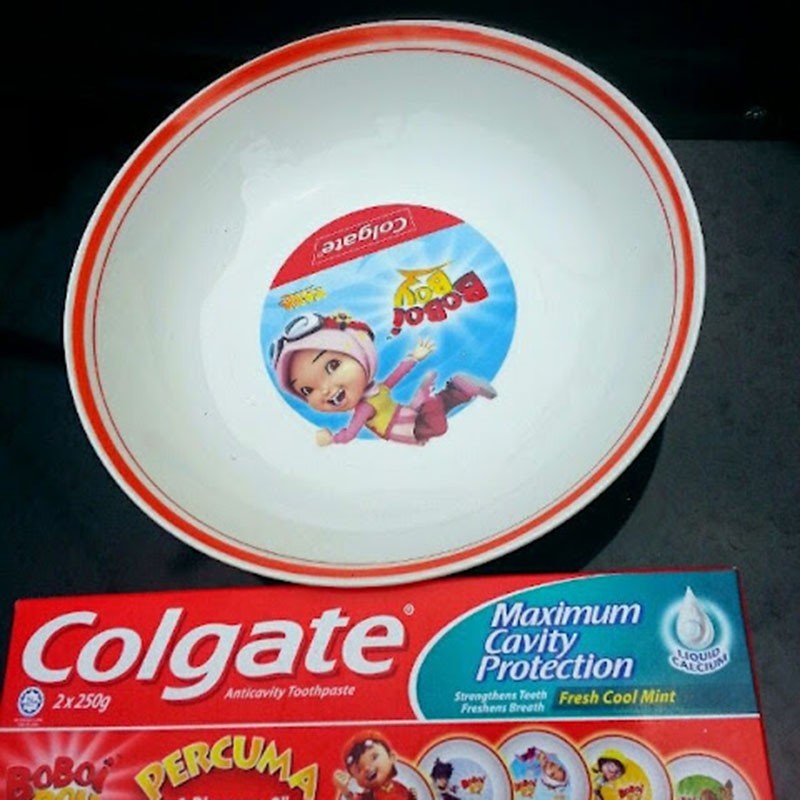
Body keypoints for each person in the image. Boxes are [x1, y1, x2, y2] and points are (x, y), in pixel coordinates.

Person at [271, 311, 496, 446]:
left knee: (438, 426)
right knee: (439, 412)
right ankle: (458, 388)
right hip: (409, 419)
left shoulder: (368, 402)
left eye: (333, 365)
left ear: (363, 355)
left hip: (409, 425)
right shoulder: (367, 405)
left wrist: (414, 357)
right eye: (307, 390)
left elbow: (396, 376)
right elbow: (350, 433)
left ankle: (431, 397)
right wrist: (332, 439)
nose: (325, 389)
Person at [333, 733, 416, 799]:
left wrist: (411, 796)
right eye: (359, 769)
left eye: (374, 757)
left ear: (392, 757)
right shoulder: (369, 796)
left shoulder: (399, 787)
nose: (367, 768)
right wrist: (345, 791)